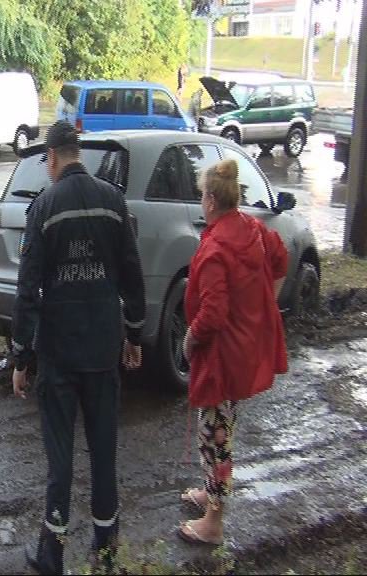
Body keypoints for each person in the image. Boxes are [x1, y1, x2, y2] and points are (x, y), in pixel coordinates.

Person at [11, 120, 146, 574]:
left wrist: (21, 356)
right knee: (104, 451)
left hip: (60, 353)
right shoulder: (113, 201)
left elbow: (27, 289)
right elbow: (132, 273)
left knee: (60, 456)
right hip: (103, 349)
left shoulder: (44, 207)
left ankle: (52, 554)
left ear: (51, 158)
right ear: (77, 153)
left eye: (46, 161)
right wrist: (134, 334)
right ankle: (106, 550)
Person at [178, 159, 288, 545]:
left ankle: (214, 522)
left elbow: (212, 314)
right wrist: (262, 311)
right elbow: (281, 261)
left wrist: (189, 339)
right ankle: (211, 492)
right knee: (220, 425)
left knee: (215, 433)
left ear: (210, 199)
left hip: (222, 355)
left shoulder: (215, 249)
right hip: (243, 346)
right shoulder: (253, 229)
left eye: (201, 195)